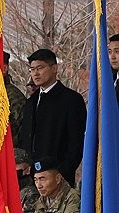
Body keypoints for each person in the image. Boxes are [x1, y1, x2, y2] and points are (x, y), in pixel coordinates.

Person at [18, 48, 87, 184]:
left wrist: (62, 171)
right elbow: (24, 137)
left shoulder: (71, 99)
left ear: (54, 68)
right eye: (32, 69)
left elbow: (76, 143)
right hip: (30, 178)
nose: (35, 74)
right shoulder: (31, 101)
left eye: (40, 68)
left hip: (59, 178)